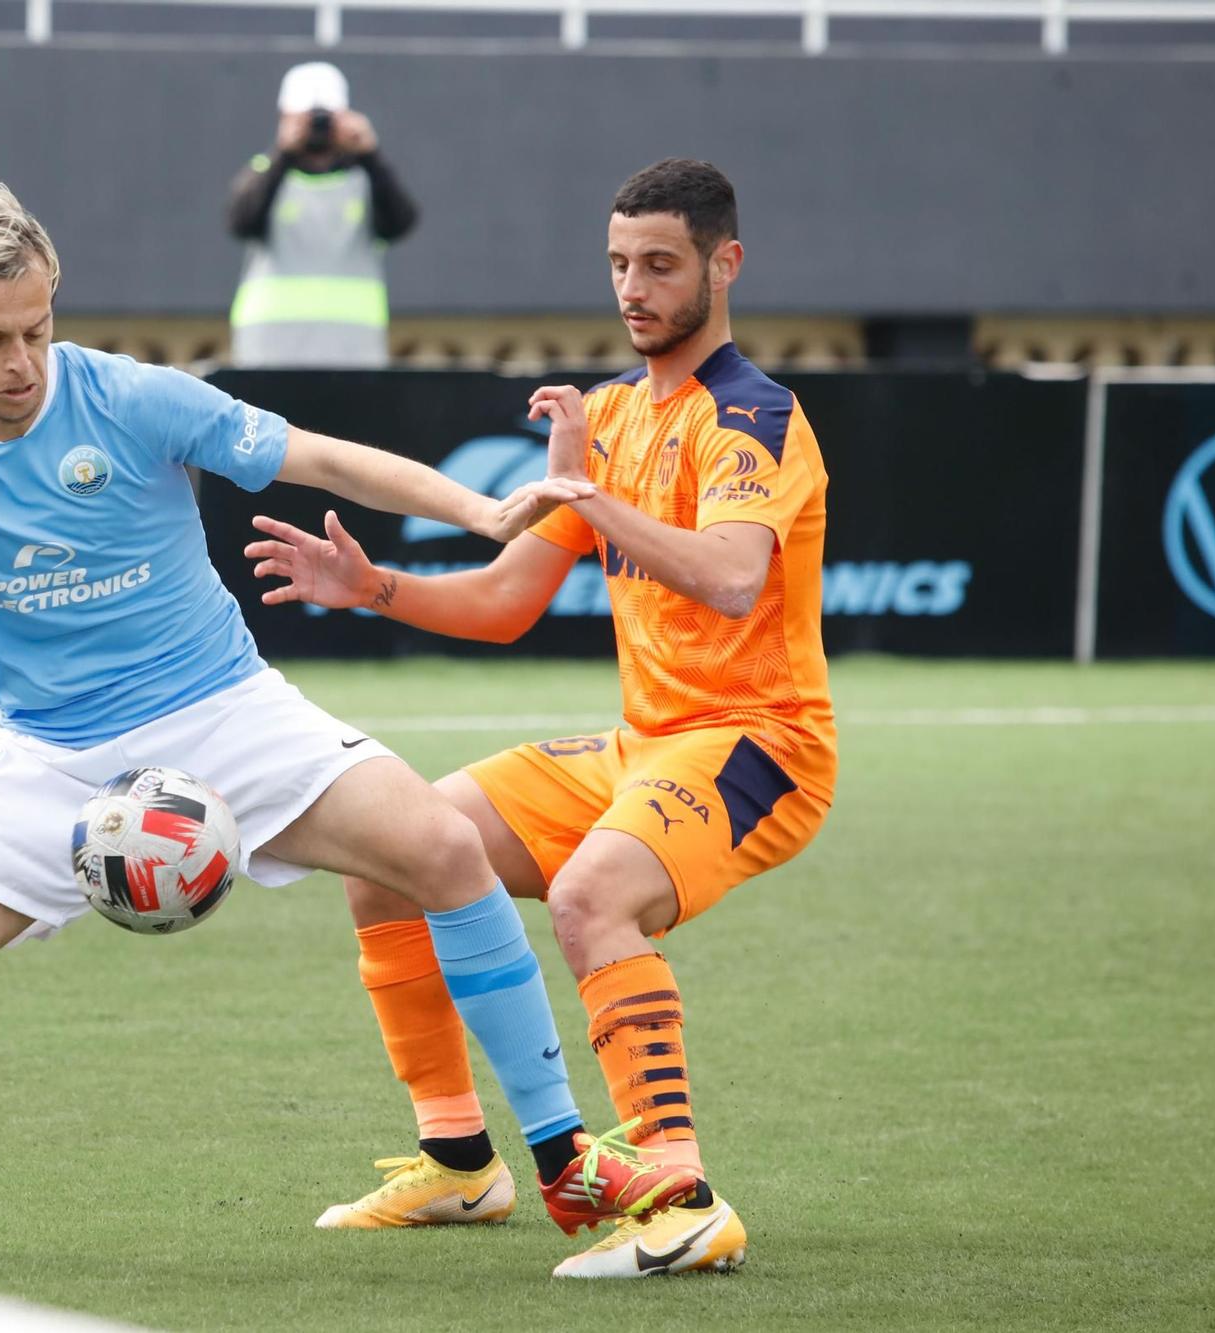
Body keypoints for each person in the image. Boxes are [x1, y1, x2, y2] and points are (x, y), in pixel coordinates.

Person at [0, 178, 688, 1253]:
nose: (21, 361)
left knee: (442, 848)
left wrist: (481, 510)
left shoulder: (129, 397)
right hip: (46, 760)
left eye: (36, 328)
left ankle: (561, 1160)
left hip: (222, 713)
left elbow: (319, 457)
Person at [247, 158, 837, 1278]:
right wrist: (371, 587)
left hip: (760, 745)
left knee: (590, 896)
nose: (633, 287)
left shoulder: (756, 417)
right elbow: (508, 598)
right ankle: (460, 1162)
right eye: (618, 264)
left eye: (659, 265)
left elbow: (724, 576)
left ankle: (678, 1198)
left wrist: (587, 493)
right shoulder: (608, 414)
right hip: (640, 745)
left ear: (726, 265)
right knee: (395, 845)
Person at [226, 62, 418, 369]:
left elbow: (401, 221)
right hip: (268, 354)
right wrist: (283, 154)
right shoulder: (267, 172)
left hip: (352, 354)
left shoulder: (366, 177)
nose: (316, 128)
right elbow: (240, 220)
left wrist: (370, 154)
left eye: (324, 119)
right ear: (284, 117)